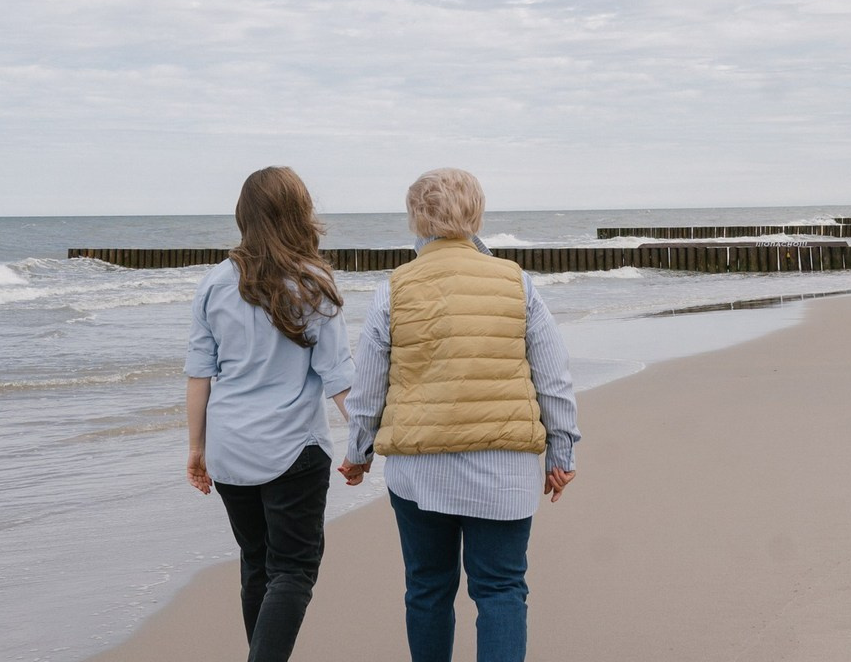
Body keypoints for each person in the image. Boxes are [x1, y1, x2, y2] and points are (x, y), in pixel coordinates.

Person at [339, 167, 580, 662]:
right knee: (501, 591)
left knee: (427, 589)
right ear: (476, 214)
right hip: (504, 469)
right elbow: (553, 377)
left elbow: (367, 386)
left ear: (415, 219)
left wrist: (358, 453)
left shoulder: (395, 289)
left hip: (419, 473)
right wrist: (562, 451)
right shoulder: (517, 283)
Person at [185, 166, 354, 662]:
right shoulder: (312, 282)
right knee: (294, 571)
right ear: (300, 214)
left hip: (230, 448)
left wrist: (197, 449)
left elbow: (200, 377)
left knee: (256, 563)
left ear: (244, 216)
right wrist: (365, 442)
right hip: (293, 448)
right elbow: (340, 378)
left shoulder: (214, 283)